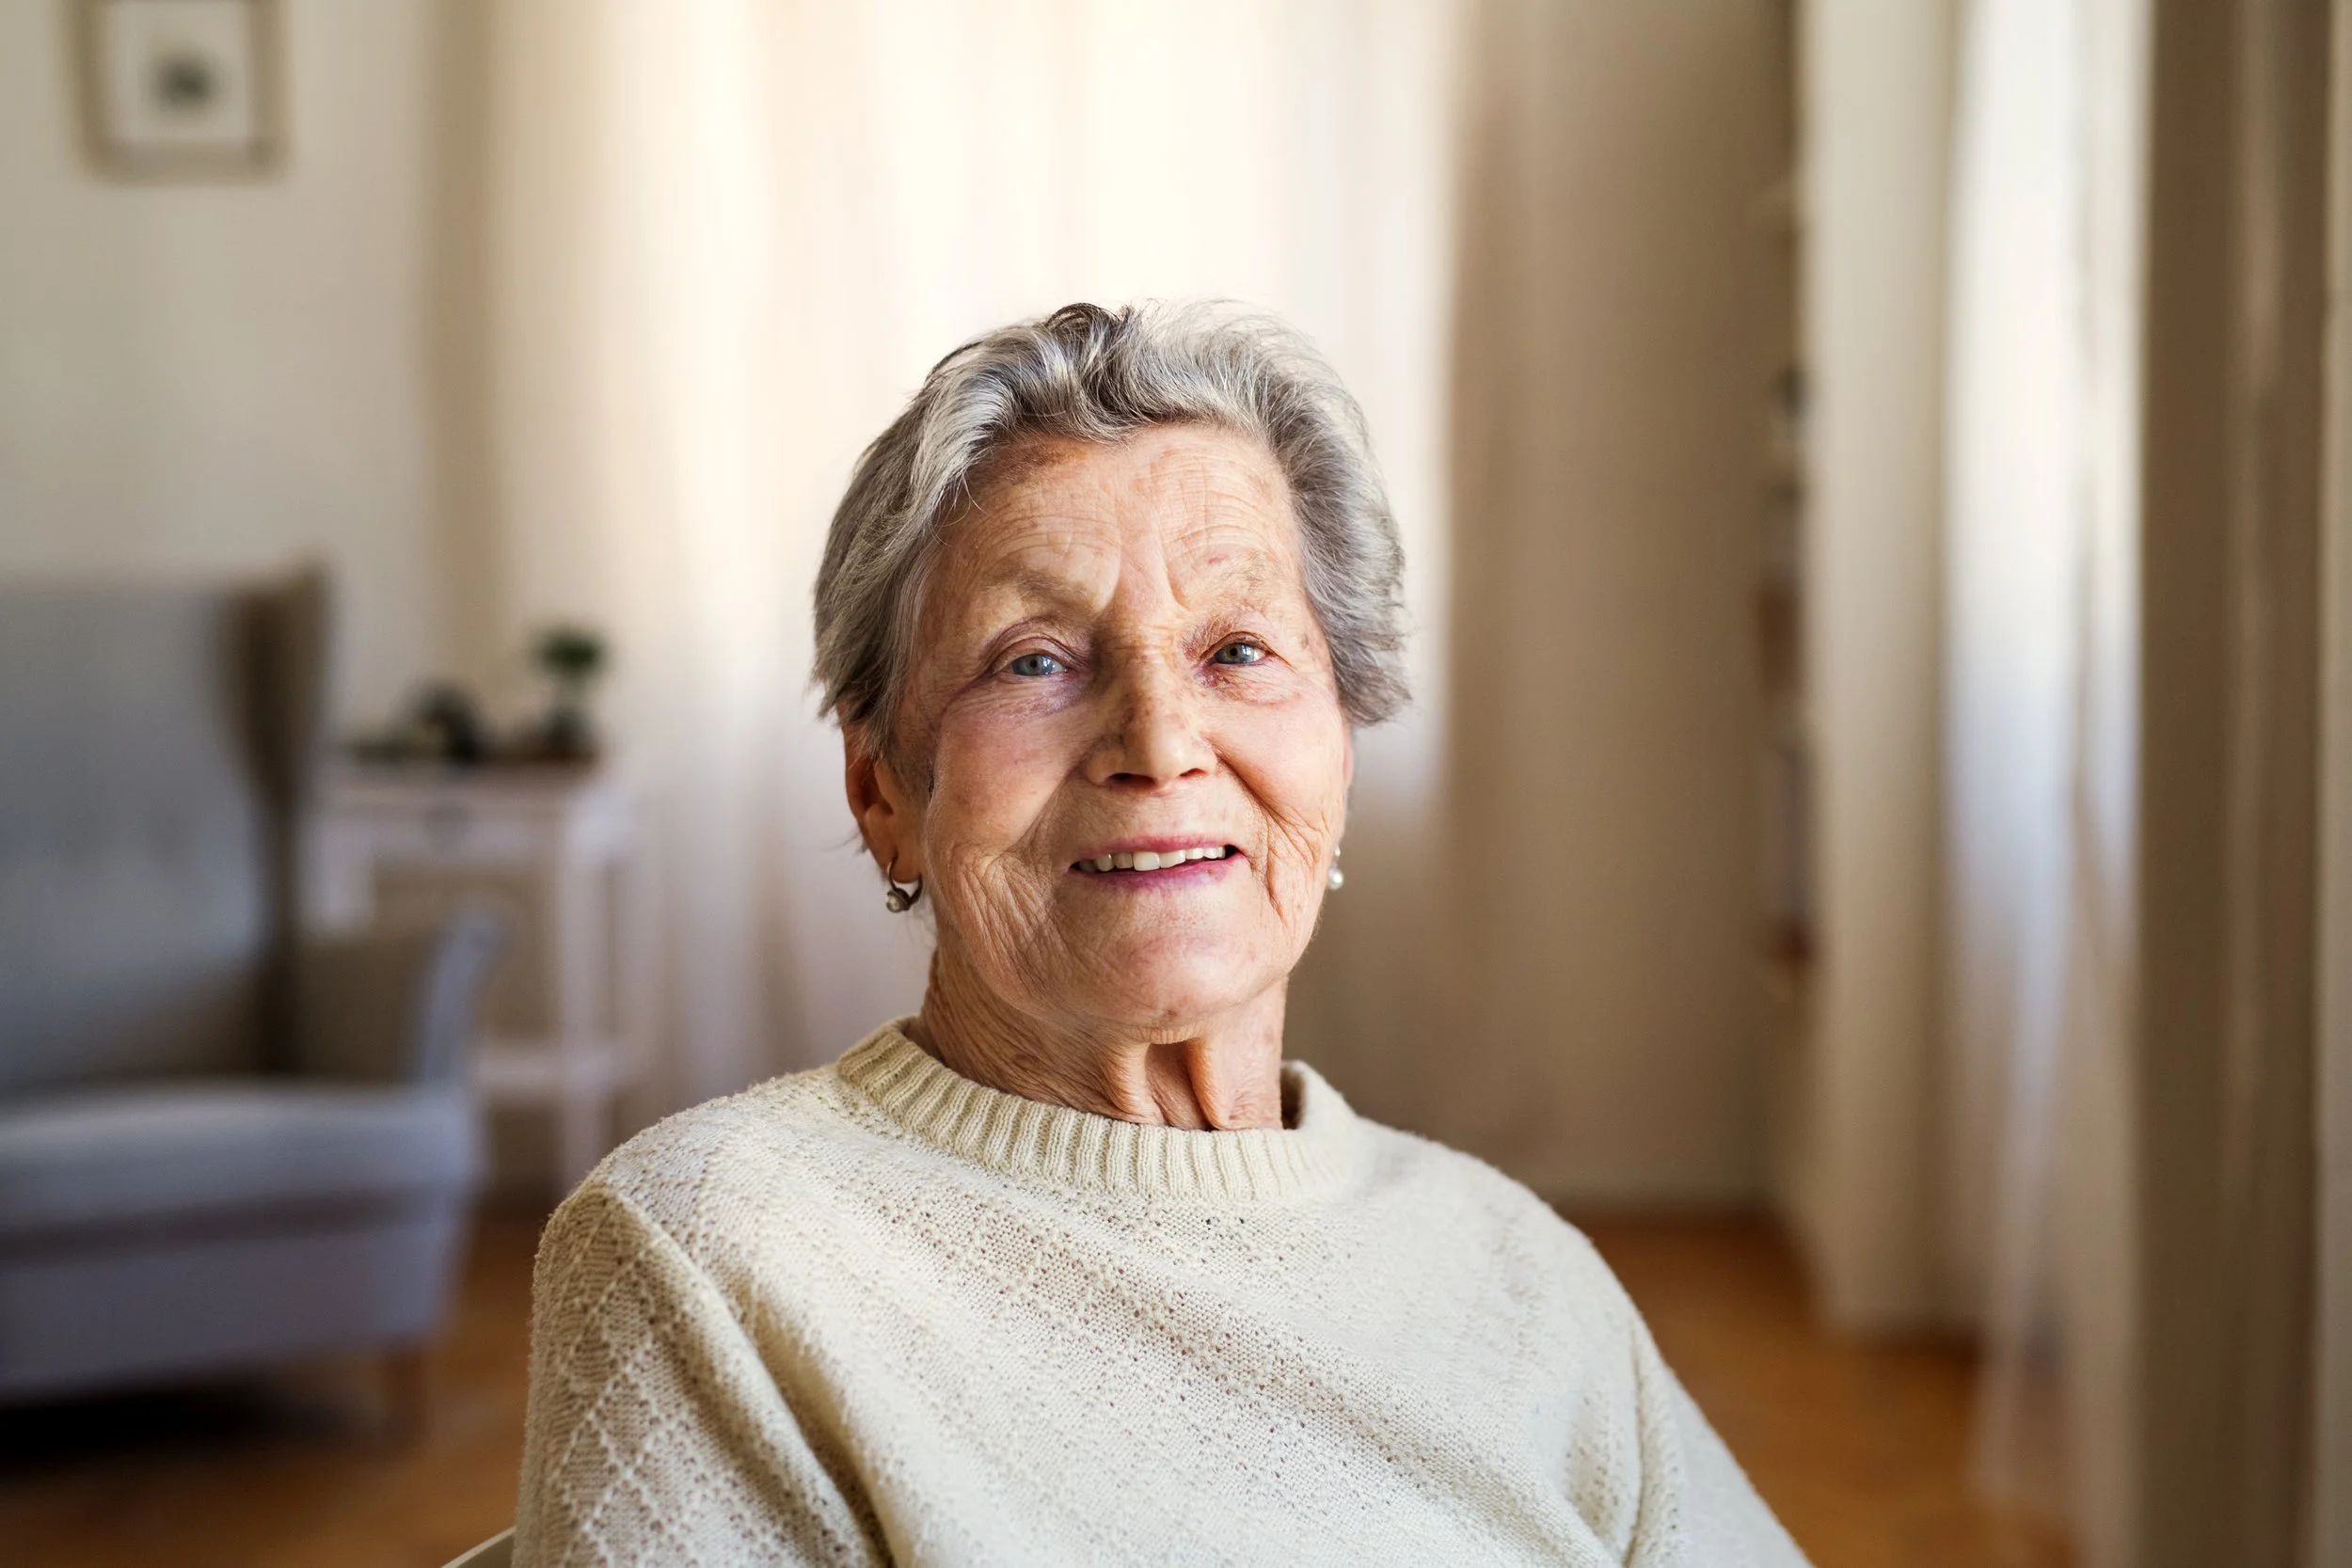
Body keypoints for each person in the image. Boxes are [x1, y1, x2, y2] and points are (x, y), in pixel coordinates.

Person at [512, 302, 1809, 1566]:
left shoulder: (1517, 1266)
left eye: (1238, 648)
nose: (1160, 742)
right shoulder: (713, 1253)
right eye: (1034, 660)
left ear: (1337, 758)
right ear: (883, 795)